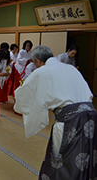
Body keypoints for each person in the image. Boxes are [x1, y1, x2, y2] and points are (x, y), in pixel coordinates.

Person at [14, 45, 96, 179]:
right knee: (87, 158)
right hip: (92, 118)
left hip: (69, 121)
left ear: (38, 61)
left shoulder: (42, 71)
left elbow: (23, 95)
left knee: (62, 162)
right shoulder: (71, 69)